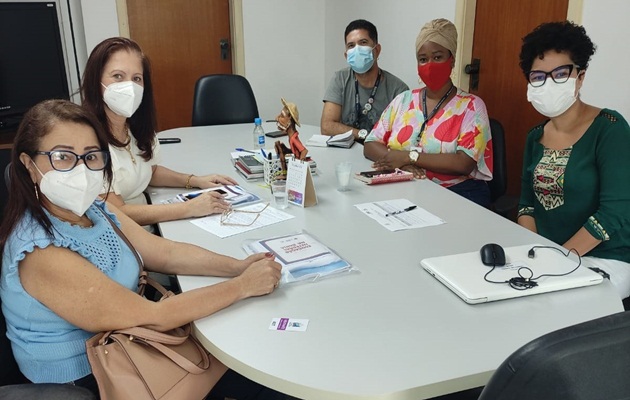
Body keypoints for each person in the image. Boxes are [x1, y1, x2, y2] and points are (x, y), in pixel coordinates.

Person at [0, 99, 285, 399]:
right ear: (29, 166)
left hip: (131, 342)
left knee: (258, 364)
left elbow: (165, 252)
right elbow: (155, 316)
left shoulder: (94, 209)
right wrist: (242, 286)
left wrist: (237, 266)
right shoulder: (40, 251)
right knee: (255, 376)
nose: (81, 170)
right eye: (62, 156)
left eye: (91, 156)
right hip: (91, 377)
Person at [517, 21, 630, 299]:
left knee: (552, 306)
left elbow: (614, 213)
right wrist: (535, 253)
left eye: (560, 73)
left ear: (580, 76)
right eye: (538, 76)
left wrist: (561, 259)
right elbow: (526, 206)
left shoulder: (610, 128)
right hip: (547, 257)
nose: (549, 82)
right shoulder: (535, 137)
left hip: (606, 258)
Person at [81, 37, 238, 227]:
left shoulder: (134, 128)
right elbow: (116, 212)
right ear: (95, 81)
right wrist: (189, 208)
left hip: (147, 226)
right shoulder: (86, 141)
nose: (129, 86)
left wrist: (195, 180)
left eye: (137, 78)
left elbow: (150, 170)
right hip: (122, 236)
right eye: (118, 76)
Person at [363, 18, 493, 208]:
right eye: (423, 59)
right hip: (406, 188)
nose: (430, 64)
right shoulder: (404, 99)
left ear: (452, 60)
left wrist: (409, 157)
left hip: (456, 195)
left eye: (438, 57)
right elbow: (370, 143)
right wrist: (401, 164)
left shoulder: (472, 107)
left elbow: (464, 163)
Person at [321, 19, 408, 143]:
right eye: (351, 45)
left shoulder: (399, 90)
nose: (357, 50)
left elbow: (401, 138)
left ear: (377, 50)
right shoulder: (340, 78)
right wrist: (363, 134)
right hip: (345, 154)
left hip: (379, 157)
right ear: (346, 56)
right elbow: (327, 126)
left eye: (363, 42)